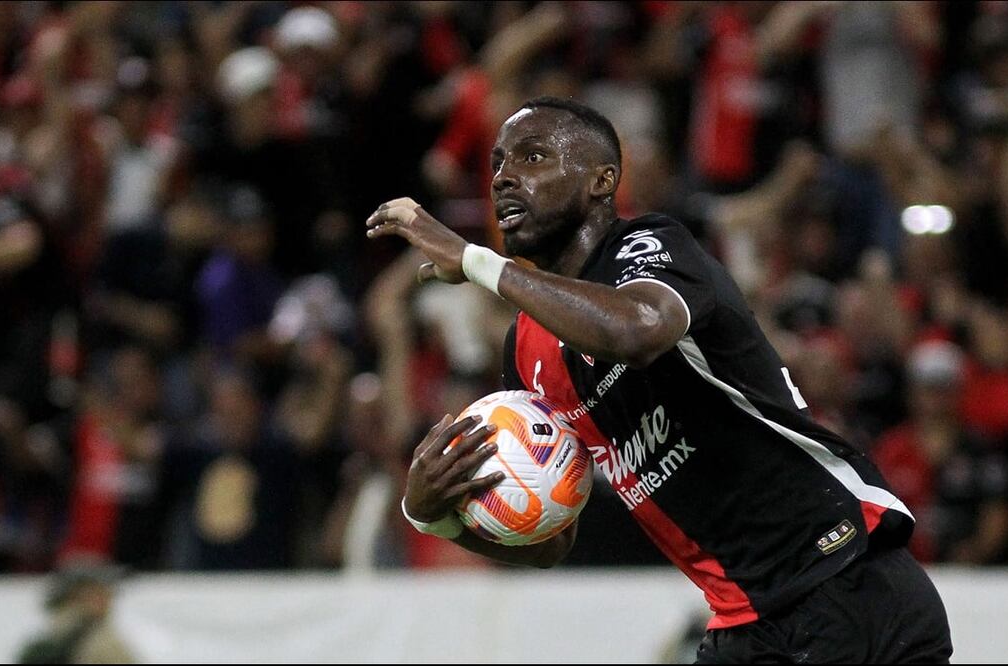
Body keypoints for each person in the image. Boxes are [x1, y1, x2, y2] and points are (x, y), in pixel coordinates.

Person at [365, 96, 952, 663]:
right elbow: (552, 538)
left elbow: (639, 329)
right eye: (497, 163)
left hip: (842, 580)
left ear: (602, 180)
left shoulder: (653, 246)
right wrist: (435, 517)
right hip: (746, 623)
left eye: (533, 156)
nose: (503, 178)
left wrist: (476, 261)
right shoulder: (526, 349)